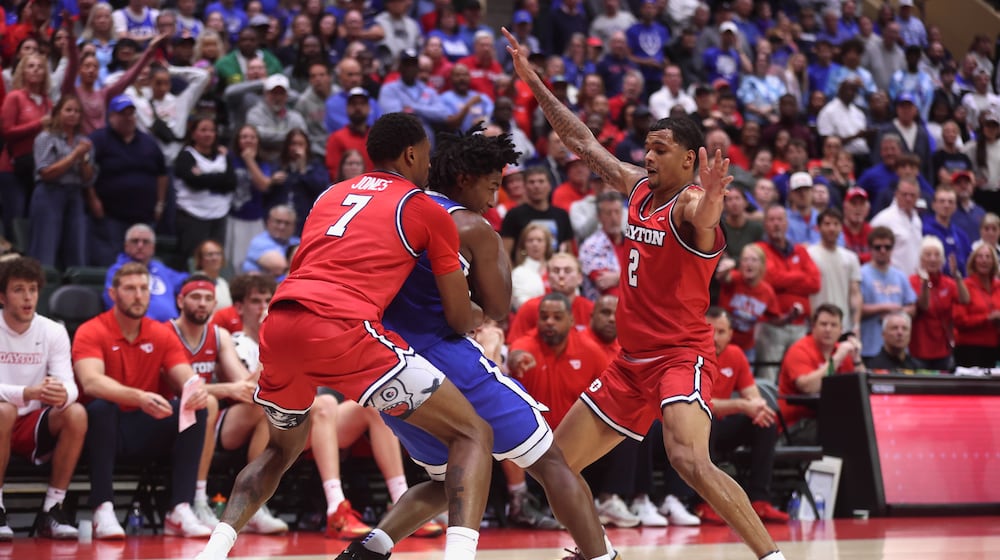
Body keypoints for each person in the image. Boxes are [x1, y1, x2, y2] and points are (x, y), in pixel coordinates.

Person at [502, 28, 789, 560]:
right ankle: (596, 551)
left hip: (679, 355)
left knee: (689, 461)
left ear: (689, 160)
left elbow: (705, 217)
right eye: (648, 147)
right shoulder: (637, 188)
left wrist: (715, 195)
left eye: (662, 150)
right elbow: (583, 142)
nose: (649, 156)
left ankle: (771, 557)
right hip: (629, 363)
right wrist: (534, 83)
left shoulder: (690, 204)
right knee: (551, 465)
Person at [195, 113, 493, 560]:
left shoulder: (329, 195)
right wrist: (480, 309)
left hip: (282, 321)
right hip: (342, 327)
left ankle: (213, 551)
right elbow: (455, 318)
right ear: (411, 155)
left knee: (279, 450)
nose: (429, 169)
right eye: (427, 159)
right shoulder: (424, 206)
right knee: (472, 434)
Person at [345, 130, 613, 558]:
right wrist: (492, 248)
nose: (493, 199)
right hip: (446, 358)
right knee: (549, 461)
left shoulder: (396, 208)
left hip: (386, 359)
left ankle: (371, 547)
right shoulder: (469, 224)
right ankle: (603, 557)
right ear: (466, 178)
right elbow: (498, 306)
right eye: (491, 186)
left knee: (446, 478)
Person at [74, 262, 211, 539]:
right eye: (130, 289)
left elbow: (184, 374)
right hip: (99, 432)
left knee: (195, 408)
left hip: (142, 427)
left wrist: (195, 388)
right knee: (102, 407)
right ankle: (103, 508)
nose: (138, 295)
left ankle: (180, 509)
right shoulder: (91, 330)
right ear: (113, 293)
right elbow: (91, 382)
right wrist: (137, 397)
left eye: (143, 289)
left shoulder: (159, 332)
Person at [169, 274, 289, 535]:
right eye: (195, 297)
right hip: (169, 414)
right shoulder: (166, 332)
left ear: (215, 304)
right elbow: (191, 388)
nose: (202, 303)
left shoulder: (218, 335)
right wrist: (223, 388)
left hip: (209, 418)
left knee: (268, 405)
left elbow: (244, 385)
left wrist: (270, 341)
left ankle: (255, 503)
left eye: (208, 298)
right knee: (208, 402)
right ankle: (198, 500)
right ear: (180, 300)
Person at [0, 257, 86, 540]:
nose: (28, 297)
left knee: (76, 413)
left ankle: (53, 508)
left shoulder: (53, 330)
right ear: (2, 296)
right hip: (4, 417)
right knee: (5, 411)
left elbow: (70, 384)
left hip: (31, 426)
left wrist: (62, 394)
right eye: (19, 289)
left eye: (33, 289)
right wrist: (25, 393)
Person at [696, 308, 787, 524]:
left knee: (765, 423)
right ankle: (704, 503)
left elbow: (753, 397)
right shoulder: (692, 356)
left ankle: (760, 501)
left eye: (721, 331)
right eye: (709, 331)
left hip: (722, 426)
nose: (714, 337)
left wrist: (759, 407)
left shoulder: (735, 354)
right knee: (705, 417)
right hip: (694, 428)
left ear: (730, 334)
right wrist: (741, 405)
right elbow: (699, 403)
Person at [87, 95, 168, 267]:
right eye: (123, 114)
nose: (128, 118)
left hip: (143, 216)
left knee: (142, 264)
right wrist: (93, 198)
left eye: (131, 114)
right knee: (111, 262)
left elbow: (162, 173)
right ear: (111, 117)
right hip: (111, 215)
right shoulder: (98, 139)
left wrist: (160, 203)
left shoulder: (148, 142)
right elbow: (86, 172)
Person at [777, 304, 865, 445]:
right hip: (796, 425)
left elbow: (863, 388)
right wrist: (836, 359)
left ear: (841, 330)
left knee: (865, 427)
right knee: (845, 433)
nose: (828, 329)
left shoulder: (842, 352)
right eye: (823, 324)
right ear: (814, 327)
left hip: (830, 418)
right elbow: (808, 388)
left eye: (833, 325)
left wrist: (856, 360)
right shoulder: (799, 350)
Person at [29, 93, 94, 268]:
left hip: (75, 195)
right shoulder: (46, 138)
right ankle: (42, 292)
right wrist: (74, 155)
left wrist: (83, 160)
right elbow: (46, 172)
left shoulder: (84, 141)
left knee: (77, 250)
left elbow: (88, 178)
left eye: (77, 111)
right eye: (68, 110)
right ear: (58, 112)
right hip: (50, 193)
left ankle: (74, 293)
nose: (73, 114)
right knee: (45, 249)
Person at [174, 116, 237, 263]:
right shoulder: (186, 155)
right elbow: (194, 182)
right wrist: (220, 178)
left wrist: (204, 177)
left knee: (217, 259)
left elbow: (232, 182)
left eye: (211, 130)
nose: (208, 134)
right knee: (194, 259)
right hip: (193, 215)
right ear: (194, 133)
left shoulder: (223, 155)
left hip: (219, 215)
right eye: (203, 130)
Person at [103, 224, 188, 322]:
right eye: (135, 241)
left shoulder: (159, 268)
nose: (140, 246)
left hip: (172, 328)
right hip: (139, 329)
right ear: (126, 246)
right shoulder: (118, 271)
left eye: (145, 242)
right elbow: (114, 306)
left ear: (153, 247)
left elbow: (185, 280)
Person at [859, 227, 917, 364]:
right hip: (870, 346)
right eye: (878, 247)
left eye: (887, 247)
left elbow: (913, 307)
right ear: (870, 249)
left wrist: (897, 314)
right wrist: (884, 308)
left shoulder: (900, 275)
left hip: (899, 349)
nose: (883, 251)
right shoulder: (861, 274)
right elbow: (856, 309)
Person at [808, 208, 862, 334]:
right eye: (827, 224)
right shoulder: (809, 255)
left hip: (843, 326)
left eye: (836, 224)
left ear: (841, 228)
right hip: (818, 326)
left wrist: (856, 324)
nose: (831, 228)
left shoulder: (851, 257)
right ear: (818, 227)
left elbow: (855, 293)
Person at [953, 243, 1000, 368]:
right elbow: (960, 321)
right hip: (969, 349)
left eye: (988, 257)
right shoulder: (965, 286)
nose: (984, 260)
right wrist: (987, 318)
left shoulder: (998, 286)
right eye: (980, 256)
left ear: (993, 261)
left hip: (994, 348)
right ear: (974, 261)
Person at [242, 205, 300, 276]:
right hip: (259, 285)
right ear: (269, 222)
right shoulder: (259, 241)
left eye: (287, 223)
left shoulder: (297, 241)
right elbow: (279, 266)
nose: (282, 227)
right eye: (278, 221)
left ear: (294, 226)